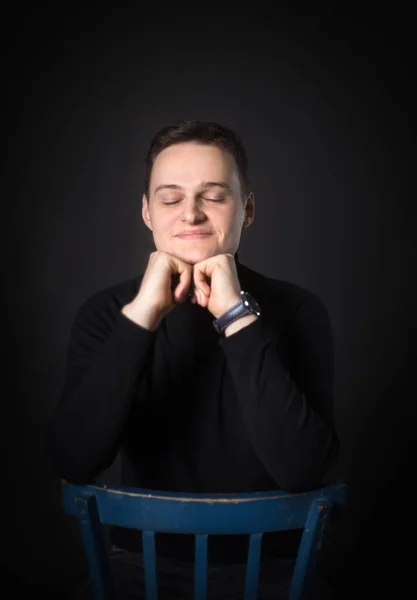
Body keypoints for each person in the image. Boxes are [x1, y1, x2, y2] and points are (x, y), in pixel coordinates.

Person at [45, 120, 339, 599]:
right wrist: (141, 317)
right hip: (138, 570)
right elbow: (73, 460)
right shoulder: (107, 313)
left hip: (277, 572)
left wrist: (236, 316)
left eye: (214, 196)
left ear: (247, 210)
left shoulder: (300, 311)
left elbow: (304, 470)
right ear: (146, 212)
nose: (192, 215)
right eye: (170, 197)